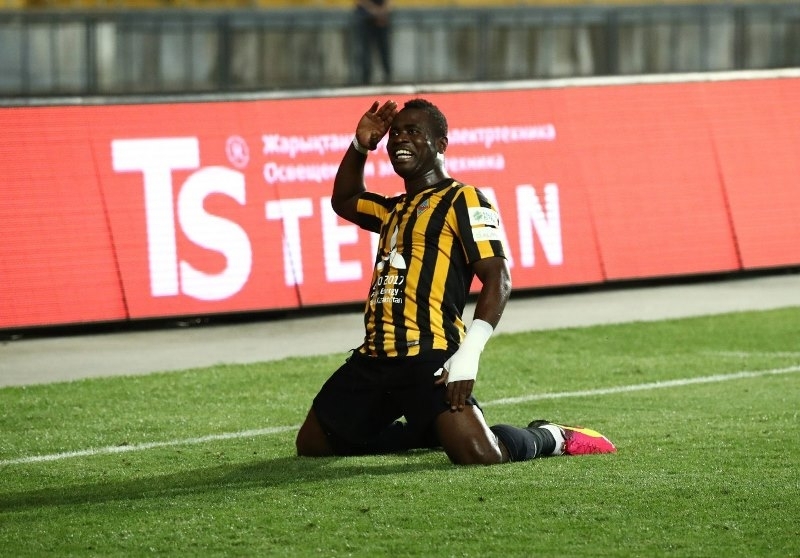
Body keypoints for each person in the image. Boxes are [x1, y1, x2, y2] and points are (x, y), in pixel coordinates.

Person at [295, 99, 616, 465]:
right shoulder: (392, 210)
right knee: (314, 444)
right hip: (375, 358)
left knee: (480, 454)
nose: (400, 139)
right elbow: (346, 199)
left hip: (427, 356)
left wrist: (469, 353)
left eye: (413, 131)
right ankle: (427, 431)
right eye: (395, 133)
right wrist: (359, 146)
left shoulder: (463, 199)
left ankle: (550, 436)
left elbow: (498, 277)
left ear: (441, 144)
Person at [353, 0, 392, 85]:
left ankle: (387, 77)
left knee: (384, 50)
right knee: (365, 51)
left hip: (381, 18)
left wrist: (382, 11)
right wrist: (375, 11)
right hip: (365, 17)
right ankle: (365, 79)